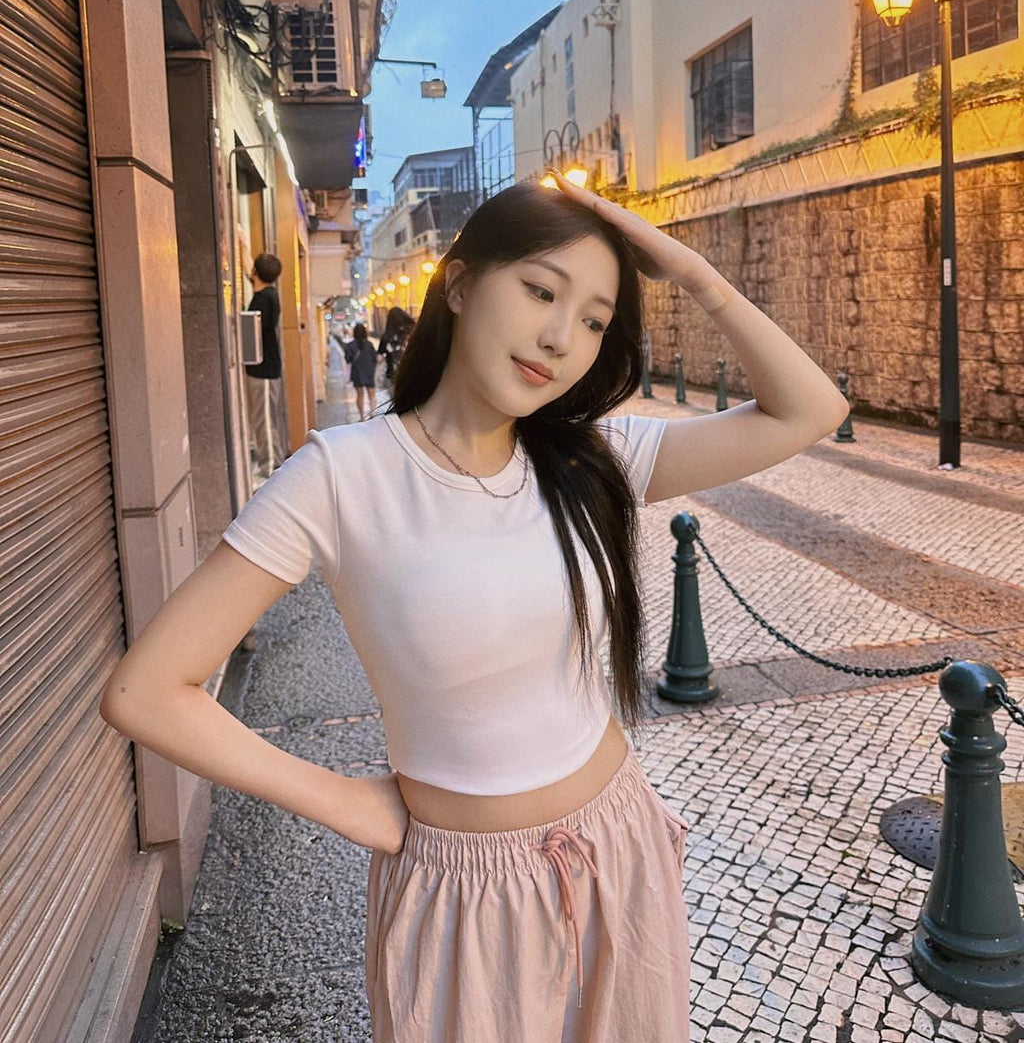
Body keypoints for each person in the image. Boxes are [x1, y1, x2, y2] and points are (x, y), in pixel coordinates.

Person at [98, 175, 849, 1041]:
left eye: (595, 319)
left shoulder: (589, 458)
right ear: (458, 283)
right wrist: (346, 801)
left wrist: (694, 274)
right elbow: (146, 690)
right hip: (462, 893)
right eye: (540, 291)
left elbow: (810, 409)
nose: (560, 338)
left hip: (617, 844)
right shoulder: (342, 475)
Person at [244, 252, 290, 478]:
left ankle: (271, 467)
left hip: (263, 370)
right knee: (266, 418)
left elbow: (253, 333)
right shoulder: (269, 295)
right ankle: (273, 462)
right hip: (266, 369)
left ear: (254, 272)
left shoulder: (263, 299)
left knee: (264, 419)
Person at [346, 321, 378, 420]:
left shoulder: (350, 345)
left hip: (357, 372)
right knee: (371, 394)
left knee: (360, 395)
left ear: (354, 333)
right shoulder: (369, 344)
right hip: (369, 372)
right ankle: (373, 415)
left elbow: (348, 359)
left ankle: (361, 417)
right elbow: (374, 358)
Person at [377, 305, 414, 383]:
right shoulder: (412, 333)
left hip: (394, 375)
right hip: (412, 372)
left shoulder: (386, 337)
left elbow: (379, 359)